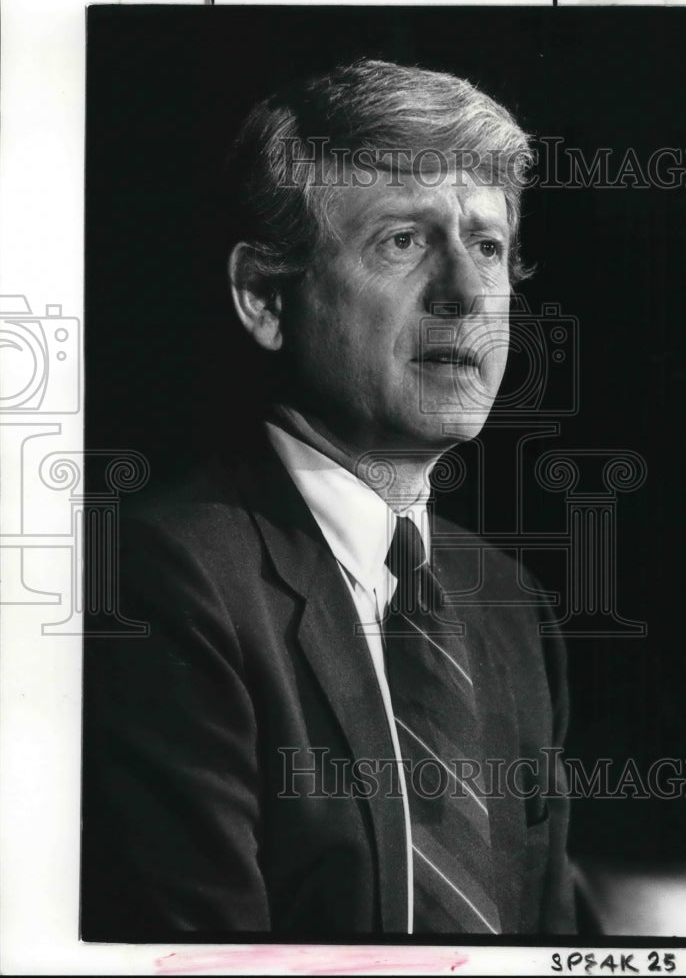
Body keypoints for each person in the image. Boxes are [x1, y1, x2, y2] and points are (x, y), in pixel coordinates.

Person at [81, 59, 576, 939]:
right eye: (403, 241)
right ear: (266, 297)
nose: (465, 295)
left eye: (488, 246)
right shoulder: (160, 576)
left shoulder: (508, 604)